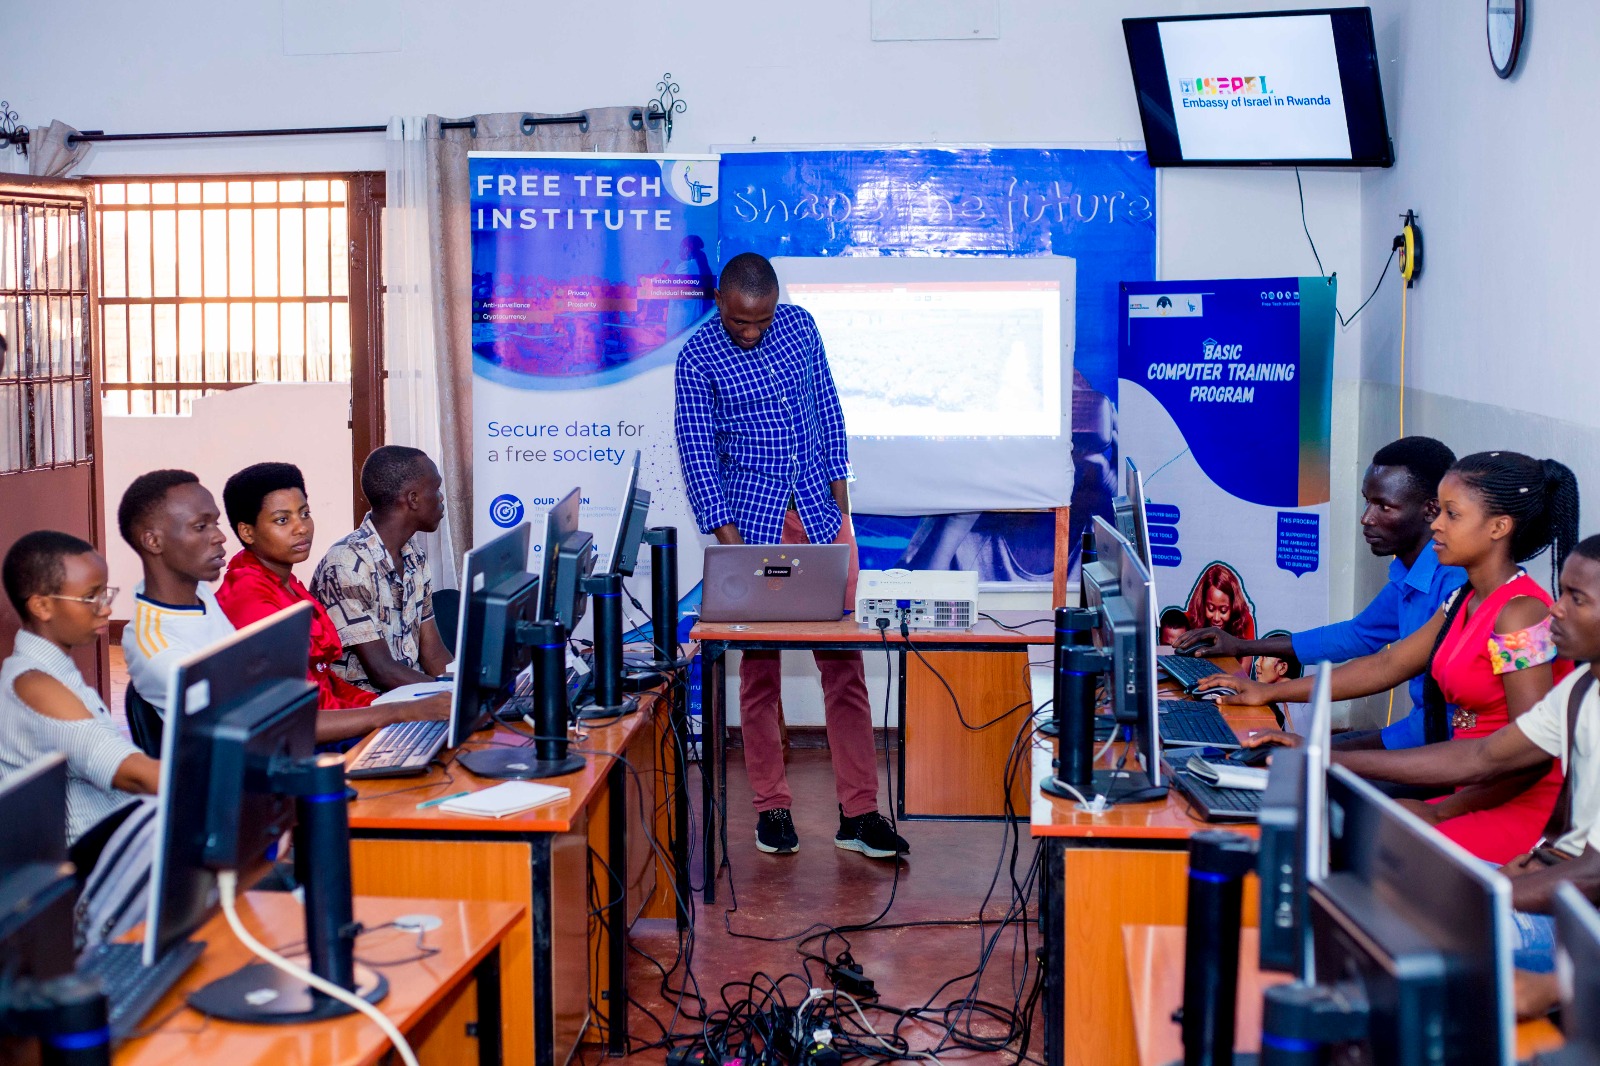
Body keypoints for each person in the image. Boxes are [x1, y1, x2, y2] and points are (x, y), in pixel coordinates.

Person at [1245, 535, 1600, 974]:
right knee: (1361, 873)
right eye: (1562, 592)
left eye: (1576, 598)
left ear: (1499, 526)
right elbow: (1484, 755)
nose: (1558, 608)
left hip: (1523, 826)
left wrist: (1485, 883)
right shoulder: (1576, 686)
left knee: (1386, 909)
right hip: (1497, 806)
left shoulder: (1524, 615)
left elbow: (1527, 770)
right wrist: (1321, 751)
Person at [1208, 451, 1581, 864]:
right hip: (1464, 786)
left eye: (1452, 515)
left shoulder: (1521, 615)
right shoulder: (1462, 600)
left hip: (1511, 807)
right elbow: (1386, 665)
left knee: (1355, 850)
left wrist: (1438, 811)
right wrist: (1266, 693)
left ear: (1498, 527)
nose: (1435, 525)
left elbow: (1528, 758)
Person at [674, 251, 908, 861]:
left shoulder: (801, 328)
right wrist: (738, 554)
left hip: (821, 517)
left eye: (761, 320)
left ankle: (859, 815)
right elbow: (699, 458)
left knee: (845, 668)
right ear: (719, 302)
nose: (751, 331)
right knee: (759, 675)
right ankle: (772, 810)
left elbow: (828, 412)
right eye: (740, 322)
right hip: (751, 527)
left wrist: (844, 516)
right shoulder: (697, 356)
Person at [1178, 437, 1464, 750]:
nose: (1366, 518)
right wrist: (1242, 645)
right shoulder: (1410, 575)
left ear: (1430, 510)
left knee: (1291, 769)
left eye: (1384, 506)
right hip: (1419, 734)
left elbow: (1390, 673)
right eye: (1366, 501)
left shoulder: (1453, 584)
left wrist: (1317, 747)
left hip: (1441, 749)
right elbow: (1358, 635)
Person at [216, 462, 448, 745]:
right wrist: (397, 713)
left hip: (336, 724)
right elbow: (292, 721)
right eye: (282, 520)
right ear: (247, 532)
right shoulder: (251, 601)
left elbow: (327, 684)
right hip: (308, 749)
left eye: (304, 514)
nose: (301, 528)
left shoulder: (286, 585)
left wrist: (384, 708)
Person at [0, 531, 158, 871]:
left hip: (121, 846)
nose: (107, 608)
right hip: (95, 872)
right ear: (42, 605)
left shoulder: (54, 670)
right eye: (91, 597)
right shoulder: (34, 685)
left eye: (105, 593)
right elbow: (135, 775)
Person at [311, 446, 452, 694]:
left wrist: (467, 689)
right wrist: (454, 696)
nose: (442, 498)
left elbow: (433, 654)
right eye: (436, 489)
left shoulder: (414, 556)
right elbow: (382, 672)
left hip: (416, 699)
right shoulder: (346, 564)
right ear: (413, 499)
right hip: (368, 711)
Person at [117, 469, 236, 716]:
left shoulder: (196, 590)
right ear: (153, 542)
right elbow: (244, 719)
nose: (220, 536)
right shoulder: (159, 650)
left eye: (216, 523)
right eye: (201, 526)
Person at [1183, 562, 1256, 641]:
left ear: (1234, 606)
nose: (1216, 618)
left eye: (1223, 610)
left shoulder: (1245, 622)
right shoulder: (1186, 620)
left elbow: (1247, 652)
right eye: (1211, 609)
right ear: (1202, 604)